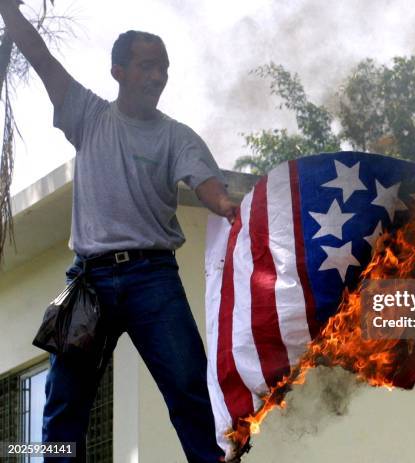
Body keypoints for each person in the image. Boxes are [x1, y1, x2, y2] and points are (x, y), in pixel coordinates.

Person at [0, 1, 239, 462]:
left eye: (163, 68)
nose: (157, 77)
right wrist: (9, 10)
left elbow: (208, 186)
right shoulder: (87, 115)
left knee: (190, 390)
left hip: (154, 279)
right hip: (88, 283)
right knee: (63, 409)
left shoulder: (177, 137)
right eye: (147, 66)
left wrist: (226, 204)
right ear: (119, 71)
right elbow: (41, 57)